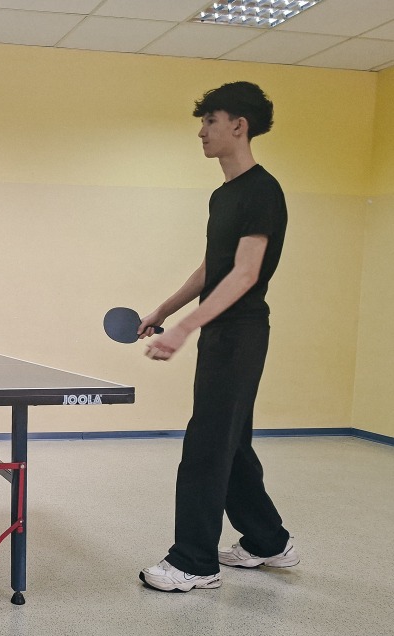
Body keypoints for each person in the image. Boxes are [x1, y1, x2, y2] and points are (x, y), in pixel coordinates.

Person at [137, 82, 298, 593]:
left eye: (210, 120)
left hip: (240, 334)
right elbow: (215, 266)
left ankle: (194, 563)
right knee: (231, 443)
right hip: (221, 333)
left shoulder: (262, 191)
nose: (202, 131)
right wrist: (165, 309)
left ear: (238, 126)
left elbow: (245, 273)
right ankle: (268, 542)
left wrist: (186, 327)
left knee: (207, 446)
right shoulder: (223, 195)